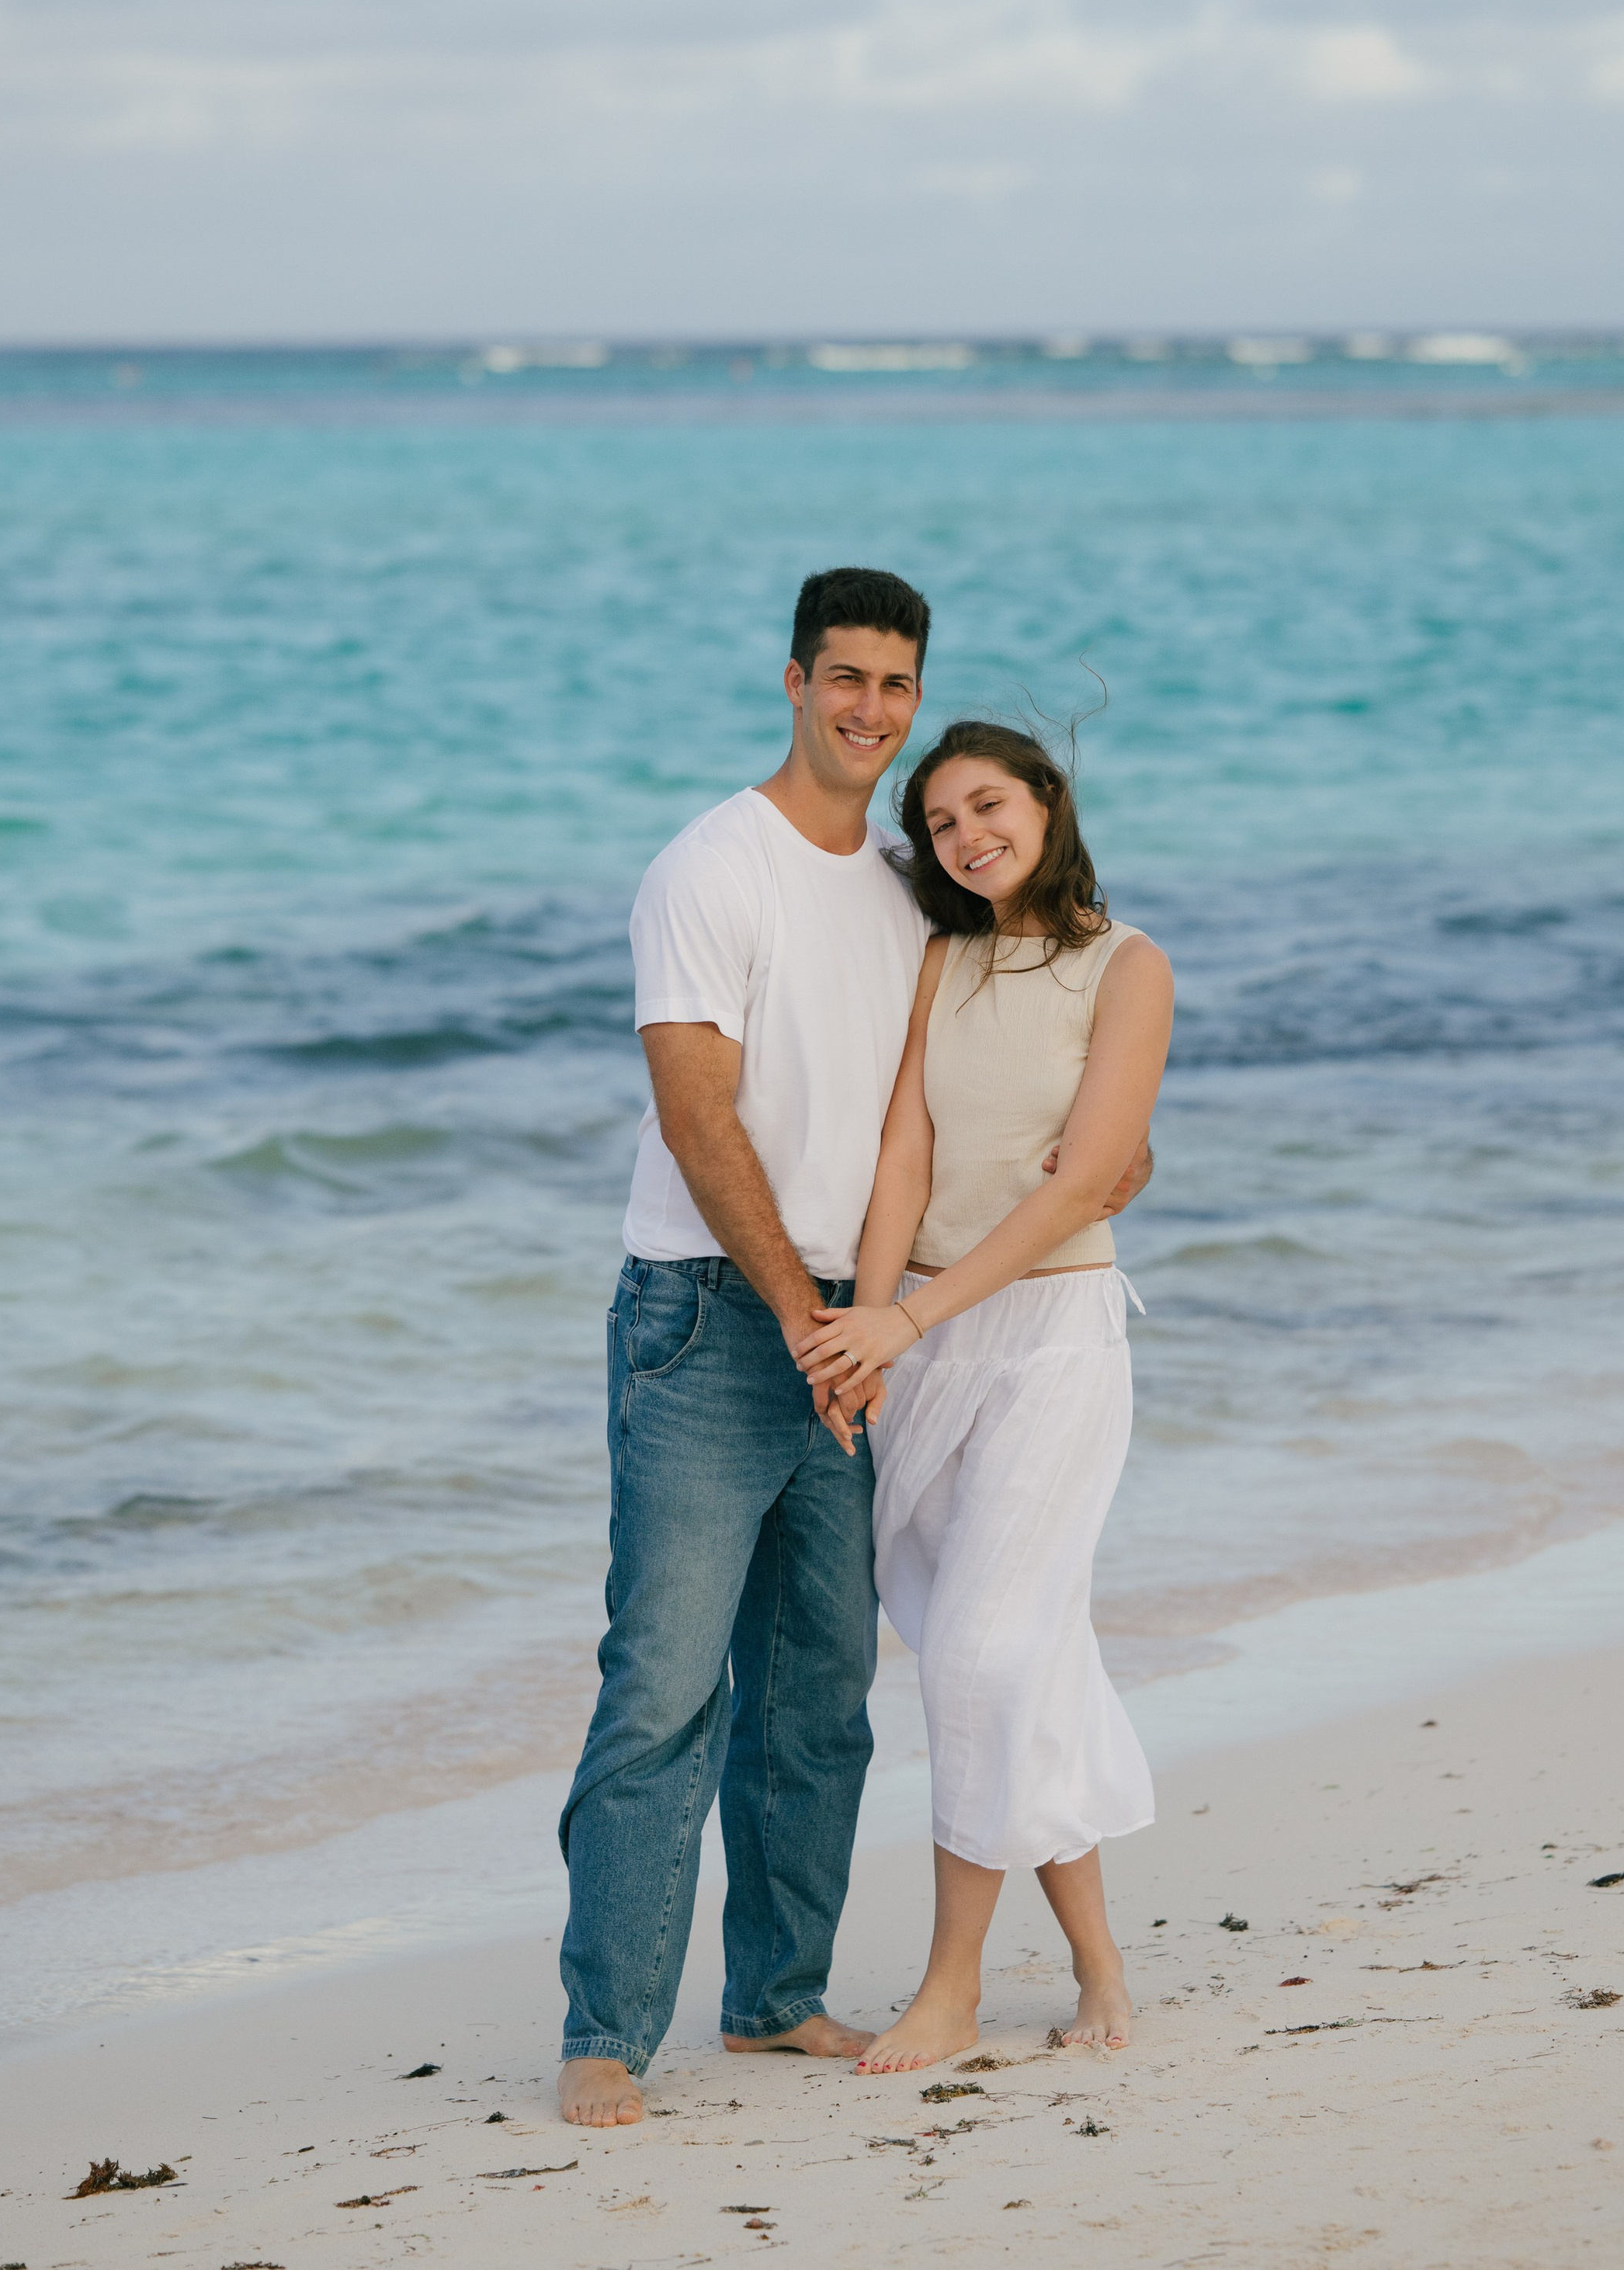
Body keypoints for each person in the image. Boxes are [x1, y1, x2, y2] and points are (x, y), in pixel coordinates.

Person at [557, 578, 1151, 2128]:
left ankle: (774, 1997)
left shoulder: (910, 886)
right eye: (844, 678)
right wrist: (803, 1318)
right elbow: (697, 1117)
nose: (869, 708)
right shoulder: (708, 866)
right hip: (715, 1312)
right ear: (793, 681)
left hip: (877, 1323)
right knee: (663, 1682)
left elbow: (991, 1085)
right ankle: (606, 2031)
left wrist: (1108, 1163)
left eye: (895, 683)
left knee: (820, 1691)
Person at [796, 718, 1174, 2072]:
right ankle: (1098, 1961)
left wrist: (907, 1316)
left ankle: (951, 1985)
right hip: (927, 1338)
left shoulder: (1128, 966)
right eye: (943, 821)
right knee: (1027, 1657)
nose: (967, 835)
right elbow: (905, 1151)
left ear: (1046, 802)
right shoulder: (943, 958)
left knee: (978, 1657)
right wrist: (871, 1333)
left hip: (1055, 1340)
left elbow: (1084, 1184)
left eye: (989, 804)